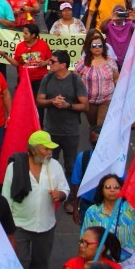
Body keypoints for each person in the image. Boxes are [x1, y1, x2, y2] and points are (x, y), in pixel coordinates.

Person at [2, 131, 70, 269]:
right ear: (33, 150)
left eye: (50, 149)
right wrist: (7, 227)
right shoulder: (14, 167)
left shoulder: (54, 166)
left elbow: (65, 188)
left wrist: (60, 195)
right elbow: (6, 197)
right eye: (45, 149)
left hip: (46, 225)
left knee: (41, 262)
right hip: (19, 224)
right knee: (21, 261)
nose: (49, 152)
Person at [37, 50, 88, 204]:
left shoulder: (75, 80)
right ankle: (46, 194)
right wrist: (52, 101)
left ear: (63, 65)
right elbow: (39, 100)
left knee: (71, 166)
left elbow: (84, 105)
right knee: (45, 163)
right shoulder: (47, 78)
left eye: (53, 61)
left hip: (70, 132)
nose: (49, 63)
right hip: (50, 130)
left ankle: (71, 199)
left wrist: (68, 105)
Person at [82, 175, 135, 269]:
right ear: (101, 190)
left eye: (116, 187)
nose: (112, 190)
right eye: (108, 187)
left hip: (127, 263)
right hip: (101, 263)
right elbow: (84, 240)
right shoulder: (92, 211)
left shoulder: (131, 207)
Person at [74, 31, 119, 128]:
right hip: (89, 101)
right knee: (93, 126)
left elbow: (116, 79)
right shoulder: (84, 62)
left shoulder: (110, 61)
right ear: (89, 48)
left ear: (104, 47)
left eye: (100, 45)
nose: (97, 47)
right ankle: (94, 140)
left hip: (106, 100)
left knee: (101, 125)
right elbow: (75, 80)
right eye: (94, 45)